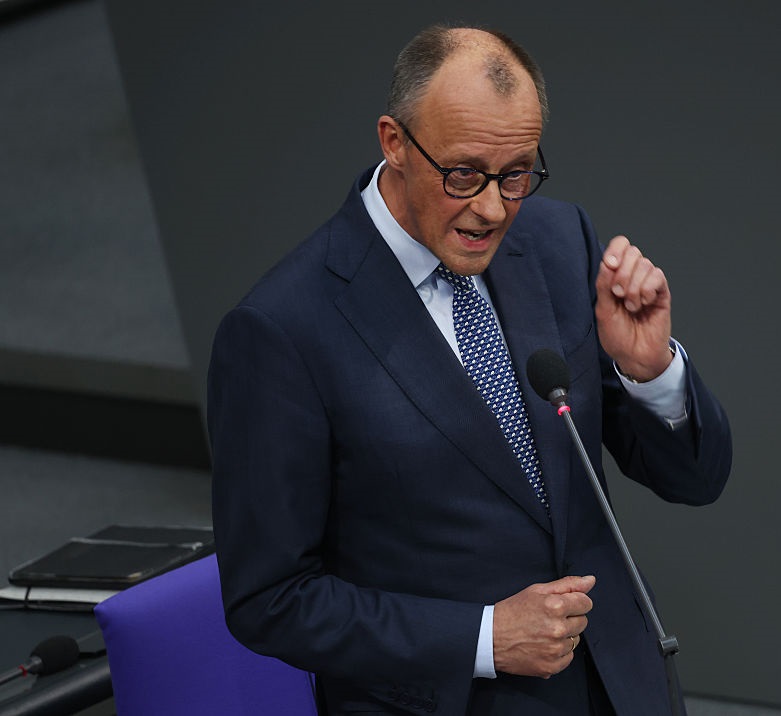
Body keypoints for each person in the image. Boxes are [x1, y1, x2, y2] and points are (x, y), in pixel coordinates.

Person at [208, 23, 731, 716]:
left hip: (623, 687)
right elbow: (270, 600)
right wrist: (483, 637)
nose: (491, 208)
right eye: (463, 174)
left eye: (516, 174)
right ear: (394, 143)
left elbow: (694, 480)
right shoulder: (281, 330)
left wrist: (650, 371)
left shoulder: (558, 240)